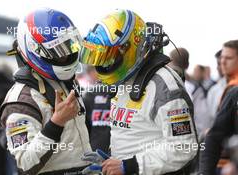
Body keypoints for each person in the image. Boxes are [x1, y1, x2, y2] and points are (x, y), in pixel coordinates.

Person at [80, 9, 198, 175]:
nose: (105, 64)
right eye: (102, 57)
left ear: (130, 47)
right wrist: (112, 160)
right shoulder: (125, 80)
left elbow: (184, 147)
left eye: (109, 56)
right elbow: (135, 134)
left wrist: (129, 166)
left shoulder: (164, 86)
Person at [0, 8, 91, 175]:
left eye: (69, 46)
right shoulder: (20, 101)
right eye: (58, 50)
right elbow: (25, 164)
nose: (66, 55)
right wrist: (56, 123)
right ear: (34, 49)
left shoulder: (65, 83)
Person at [199, 40, 238, 175]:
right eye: (221, 58)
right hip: (221, 160)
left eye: (229, 58)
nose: (223, 62)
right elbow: (214, 131)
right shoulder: (216, 90)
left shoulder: (234, 90)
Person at [206, 50, 227, 126]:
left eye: (220, 64)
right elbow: (210, 119)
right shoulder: (214, 91)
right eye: (218, 64)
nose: (218, 68)